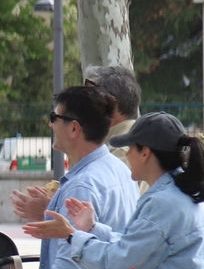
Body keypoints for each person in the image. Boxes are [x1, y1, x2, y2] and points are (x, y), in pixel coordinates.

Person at [24, 112, 204, 269]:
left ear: (145, 153)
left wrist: (71, 235)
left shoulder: (164, 203)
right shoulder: (177, 191)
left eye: (130, 148)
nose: (127, 155)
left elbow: (117, 262)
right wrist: (93, 227)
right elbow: (133, 246)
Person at [6, 86, 138, 269]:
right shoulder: (118, 170)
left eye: (55, 117)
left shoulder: (82, 184)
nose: (51, 124)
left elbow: (68, 266)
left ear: (74, 128)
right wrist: (48, 210)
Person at [12, 65, 142, 221]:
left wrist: (50, 212)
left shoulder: (123, 153)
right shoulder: (113, 160)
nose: (84, 101)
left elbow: (81, 239)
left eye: (92, 95)